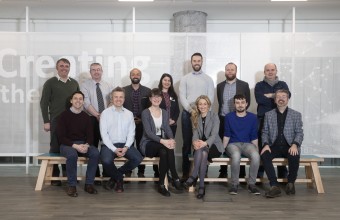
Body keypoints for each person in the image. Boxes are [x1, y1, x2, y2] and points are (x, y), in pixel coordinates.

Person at [40, 58, 79, 186]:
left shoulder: (74, 83)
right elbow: (44, 103)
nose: (64, 68)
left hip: (71, 120)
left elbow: (78, 101)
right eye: (61, 66)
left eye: (66, 66)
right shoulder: (50, 83)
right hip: (56, 120)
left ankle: (67, 174)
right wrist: (46, 121)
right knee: (55, 147)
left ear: (69, 68)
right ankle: (54, 176)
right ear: (57, 68)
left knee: (68, 147)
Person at [140, 88, 183, 197]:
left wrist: (172, 140)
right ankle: (175, 176)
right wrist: (165, 141)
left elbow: (167, 128)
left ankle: (161, 185)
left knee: (164, 152)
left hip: (161, 144)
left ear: (161, 99)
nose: (156, 99)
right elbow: (149, 133)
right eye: (154, 96)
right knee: (165, 147)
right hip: (148, 143)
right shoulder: (145, 113)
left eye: (159, 96)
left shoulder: (164, 112)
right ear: (150, 98)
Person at [261, 89, 303, 198]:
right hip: (273, 146)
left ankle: (290, 183)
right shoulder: (268, 115)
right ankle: (274, 186)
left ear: (288, 99)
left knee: (294, 155)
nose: (281, 98)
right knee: (264, 155)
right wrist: (265, 144)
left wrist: (295, 144)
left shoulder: (296, 115)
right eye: (278, 96)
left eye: (284, 96)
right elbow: (264, 132)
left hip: (289, 146)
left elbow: (299, 133)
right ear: (275, 100)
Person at [100, 87, 143, 193]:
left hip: (125, 144)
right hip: (109, 145)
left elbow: (131, 133)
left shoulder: (129, 114)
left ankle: (115, 176)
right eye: (116, 97)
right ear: (112, 98)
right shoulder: (105, 113)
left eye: (121, 97)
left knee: (137, 158)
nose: (118, 99)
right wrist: (114, 149)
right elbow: (104, 135)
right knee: (105, 160)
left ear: (124, 99)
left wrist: (126, 147)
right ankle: (119, 179)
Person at [57, 91, 100, 197]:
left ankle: (89, 184)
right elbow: (61, 137)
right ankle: (72, 185)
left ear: (83, 101)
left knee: (95, 153)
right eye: (75, 98)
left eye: (80, 99)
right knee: (72, 155)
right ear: (71, 101)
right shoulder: (63, 116)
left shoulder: (86, 117)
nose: (78, 101)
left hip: (82, 144)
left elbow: (90, 136)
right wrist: (75, 146)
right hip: (67, 145)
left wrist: (87, 145)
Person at [179, 52, 214, 180]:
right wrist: (190, 110)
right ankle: (185, 173)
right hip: (187, 114)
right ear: (191, 62)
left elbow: (211, 97)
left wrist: (203, 111)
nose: (197, 62)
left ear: (202, 61)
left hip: (204, 114)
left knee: (203, 142)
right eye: (194, 61)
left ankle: (203, 172)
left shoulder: (208, 79)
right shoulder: (185, 78)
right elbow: (182, 96)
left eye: (199, 60)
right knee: (187, 143)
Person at [183, 95, 224, 199]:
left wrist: (204, 143)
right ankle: (201, 186)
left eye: (205, 104)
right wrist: (194, 143)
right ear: (197, 106)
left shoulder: (214, 116)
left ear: (209, 105)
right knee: (203, 153)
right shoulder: (195, 117)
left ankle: (193, 176)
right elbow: (195, 134)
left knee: (203, 151)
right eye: (200, 104)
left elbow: (214, 135)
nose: (202, 106)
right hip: (201, 147)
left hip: (214, 146)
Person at [255, 63, 291, 179]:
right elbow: (260, 99)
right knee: (262, 143)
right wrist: (277, 96)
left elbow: (287, 97)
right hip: (263, 118)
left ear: (276, 71)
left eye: (272, 70)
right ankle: (260, 170)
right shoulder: (259, 85)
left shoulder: (283, 84)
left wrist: (271, 95)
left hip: (280, 116)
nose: (270, 72)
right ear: (264, 72)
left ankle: (282, 171)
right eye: (267, 70)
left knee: (280, 141)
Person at [217, 62, 250, 179]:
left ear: (236, 71)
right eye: (227, 70)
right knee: (223, 144)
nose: (230, 71)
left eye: (232, 69)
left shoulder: (244, 85)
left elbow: (248, 102)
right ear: (225, 71)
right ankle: (223, 170)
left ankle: (241, 172)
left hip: (237, 118)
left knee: (239, 142)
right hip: (223, 118)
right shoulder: (220, 86)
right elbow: (220, 102)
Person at [80, 63, 113, 184]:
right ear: (90, 72)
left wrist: (104, 115)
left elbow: (112, 100)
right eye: (94, 70)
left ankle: (107, 173)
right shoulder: (84, 85)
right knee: (93, 146)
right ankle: (95, 174)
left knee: (106, 145)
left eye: (98, 69)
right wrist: (97, 115)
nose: (96, 72)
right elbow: (86, 103)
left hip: (107, 118)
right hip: (91, 119)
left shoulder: (108, 85)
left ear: (102, 71)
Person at [223, 94, 260, 195]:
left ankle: (252, 184)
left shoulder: (253, 117)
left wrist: (256, 149)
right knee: (236, 155)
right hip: (233, 144)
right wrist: (223, 149)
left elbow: (254, 136)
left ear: (246, 104)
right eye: (237, 103)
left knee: (256, 156)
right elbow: (227, 134)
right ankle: (234, 184)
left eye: (242, 102)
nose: (240, 105)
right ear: (234, 104)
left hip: (247, 144)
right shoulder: (228, 117)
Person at [123, 68, 153, 179]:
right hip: (127, 125)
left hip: (142, 124)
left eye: (138, 74)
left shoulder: (147, 91)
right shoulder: (123, 90)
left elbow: (150, 109)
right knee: (128, 147)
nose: (135, 76)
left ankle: (141, 171)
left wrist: (143, 120)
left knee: (141, 147)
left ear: (141, 76)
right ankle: (128, 170)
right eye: (133, 74)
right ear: (130, 76)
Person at [158, 73, 180, 138]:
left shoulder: (173, 95)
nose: (167, 82)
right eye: (165, 80)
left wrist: (174, 120)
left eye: (169, 80)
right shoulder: (157, 94)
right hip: (160, 125)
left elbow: (177, 110)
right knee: (160, 145)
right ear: (161, 81)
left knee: (170, 145)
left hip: (172, 125)